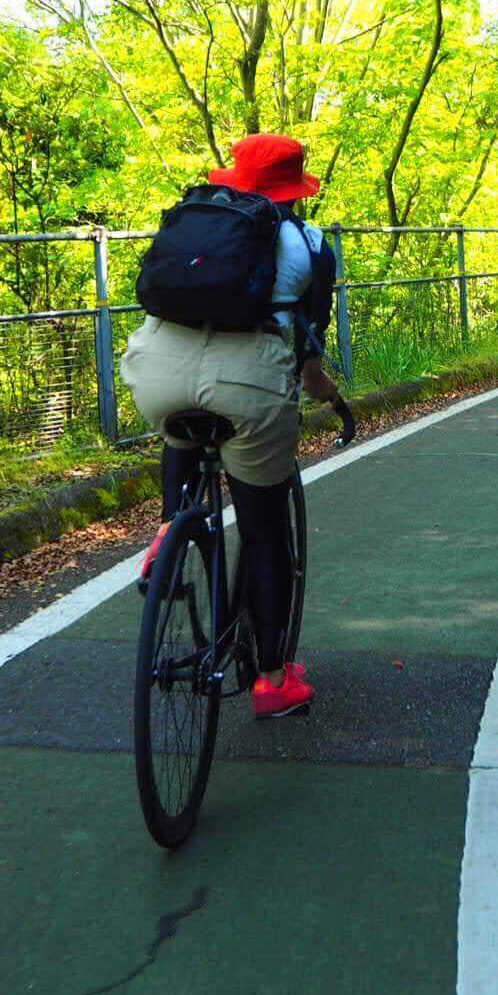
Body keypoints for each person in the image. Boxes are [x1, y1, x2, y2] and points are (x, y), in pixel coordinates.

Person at [121, 134, 343, 720]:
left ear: (238, 179)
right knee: (267, 533)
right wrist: (327, 391)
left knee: (180, 430)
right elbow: (309, 348)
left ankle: (171, 528)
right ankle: (272, 681)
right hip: (248, 382)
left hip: (157, 372)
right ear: (297, 187)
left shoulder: (196, 219)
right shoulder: (310, 243)